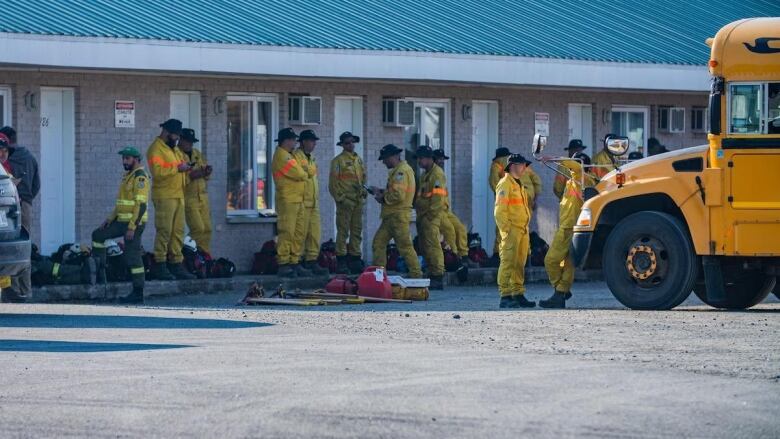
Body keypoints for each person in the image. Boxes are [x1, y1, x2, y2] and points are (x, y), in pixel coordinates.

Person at [91, 147, 149, 304]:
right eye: (123, 158)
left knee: (133, 256)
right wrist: (109, 219)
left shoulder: (140, 178)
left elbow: (141, 205)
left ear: (136, 159)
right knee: (98, 235)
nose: (124, 161)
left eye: (127, 158)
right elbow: (121, 204)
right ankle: (99, 274)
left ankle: (138, 293)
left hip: (133, 223)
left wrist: (132, 227)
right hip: (121, 221)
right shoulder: (127, 176)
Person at [539, 151, 596, 309]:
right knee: (568, 263)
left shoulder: (583, 179)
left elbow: (576, 167)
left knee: (550, 260)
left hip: (570, 227)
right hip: (568, 225)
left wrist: (553, 157)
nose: (571, 168)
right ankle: (561, 292)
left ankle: (560, 290)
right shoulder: (572, 181)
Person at [146, 118, 195, 281]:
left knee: (178, 232)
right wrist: (177, 168)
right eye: (175, 135)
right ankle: (159, 263)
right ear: (167, 133)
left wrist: (187, 168)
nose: (178, 139)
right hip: (164, 196)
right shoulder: (155, 149)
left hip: (178, 195)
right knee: (164, 231)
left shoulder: (173, 149)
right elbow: (158, 173)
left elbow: (180, 166)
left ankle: (176, 263)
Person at [370, 144, 422, 279]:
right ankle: (379, 277)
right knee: (378, 243)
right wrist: (381, 192)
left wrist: (383, 198)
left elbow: (398, 195)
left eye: (385, 159)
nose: (383, 162)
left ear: (393, 157)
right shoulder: (400, 171)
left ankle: (416, 275)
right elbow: (396, 192)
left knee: (405, 247)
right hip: (392, 216)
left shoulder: (401, 172)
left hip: (397, 216)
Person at [494, 154, 535, 308]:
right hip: (512, 230)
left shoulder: (518, 183)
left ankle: (518, 294)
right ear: (513, 166)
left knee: (519, 263)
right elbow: (499, 210)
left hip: (522, 230)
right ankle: (505, 296)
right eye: (522, 164)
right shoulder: (505, 184)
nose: (525, 168)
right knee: (508, 262)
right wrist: (506, 230)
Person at [271, 128, 311, 278]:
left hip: (297, 199)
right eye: (293, 139)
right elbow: (300, 173)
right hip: (287, 200)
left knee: (298, 233)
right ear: (286, 141)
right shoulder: (282, 156)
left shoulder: (289, 155)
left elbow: (305, 172)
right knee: (287, 232)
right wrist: (303, 171)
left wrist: (304, 171)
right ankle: (284, 263)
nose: (295, 142)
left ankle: (294, 261)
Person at [329, 131, 367, 274]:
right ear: (342, 145)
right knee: (343, 232)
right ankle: (342, 260)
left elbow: (362, 178)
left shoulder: (358, 160)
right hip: (346, 202)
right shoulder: (338, 161)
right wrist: (341, 199)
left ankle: (355, 258)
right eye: (347, 142)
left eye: (352, 142)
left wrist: (363, 191)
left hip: (357, 201)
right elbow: (333, 184)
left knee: (357, 231)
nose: (350, 144)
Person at [292, 130, 328, 275]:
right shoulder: (296, 156)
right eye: (312, 141)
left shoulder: (311, 157)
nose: (314, 144)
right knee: (300, 234)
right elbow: (303, 174)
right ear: (303, 142)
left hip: (313, 202)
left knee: (315, 233)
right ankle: (298, 262)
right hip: (302, 201)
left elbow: (311, 174)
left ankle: (312, 261)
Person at [433, 148, 474, 268]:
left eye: (442, 159)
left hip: (446, 210)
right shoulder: (434, 175)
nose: (441, 161)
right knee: (449, 230)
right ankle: (454, 257)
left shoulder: (441, 174)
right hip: (437, 211)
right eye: (439, 159)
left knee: (460, 228)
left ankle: (464, 256)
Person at [413, 145, 447, 290]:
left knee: (433, 246)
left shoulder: (437, 174)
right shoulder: (425, 175)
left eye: (421, 158)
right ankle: (432, 272)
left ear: (428, 158)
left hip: (430, 217)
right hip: (423, 216)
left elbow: (438, 198)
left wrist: (430, 216)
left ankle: (437, 276)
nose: (419, 161)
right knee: (425, 246)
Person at [0, 126, 40, 235]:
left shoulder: (5, 158)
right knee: (24, 237)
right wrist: (27, 198)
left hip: (7, 202)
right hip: (25, 203)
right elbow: (36, 185)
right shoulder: (30, 158)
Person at [179, 128, 213, 254]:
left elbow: (206, 174)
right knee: (198, 228)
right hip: (189, 198)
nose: (190, 144)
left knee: (207, 229)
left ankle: (204, 256)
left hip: (203, 197)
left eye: (192, 142)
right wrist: (196, 174)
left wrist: (207, 171)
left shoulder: (197, 153)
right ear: (181, 140)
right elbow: (185, 178)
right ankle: (183, 251)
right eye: (188, 141)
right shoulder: (177, 154)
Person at [488, 147, 512, 264]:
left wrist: (501, 197)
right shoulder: (515, 163)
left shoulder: (496, 164)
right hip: (517, 201)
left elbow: (494, 183)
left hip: (503, 202)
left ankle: (498, 255)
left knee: (500, 228)